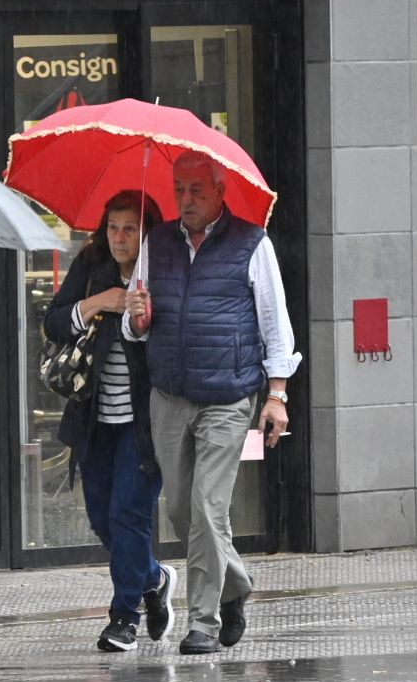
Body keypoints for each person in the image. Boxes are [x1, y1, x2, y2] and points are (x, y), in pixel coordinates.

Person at [124, 150, 301, 655]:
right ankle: (236, 585)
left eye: (196, 190)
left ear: (220, 190)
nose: (186, 200)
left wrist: (277, 396)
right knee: (182, 508)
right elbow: (133, 328)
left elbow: (276, 324)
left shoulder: (252, 243)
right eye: (179, 189)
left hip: (228, 396)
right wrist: (135, 317)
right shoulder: (156, 244)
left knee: (207, 505)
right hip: (170, 395)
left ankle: (202, 621)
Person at [44, 190, 177, 653]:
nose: (119, 238)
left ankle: (124, 616)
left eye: (129, 229)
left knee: (128, 514)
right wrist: (102, 300)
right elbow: (54, 322)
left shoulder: (165, 272)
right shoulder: (91, 266)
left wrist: (147, 319)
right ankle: (154, 578)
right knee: (103, 518)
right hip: (94, 417)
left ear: (147, 234)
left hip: (146, 421)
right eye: (113, 228)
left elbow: (181, 339)